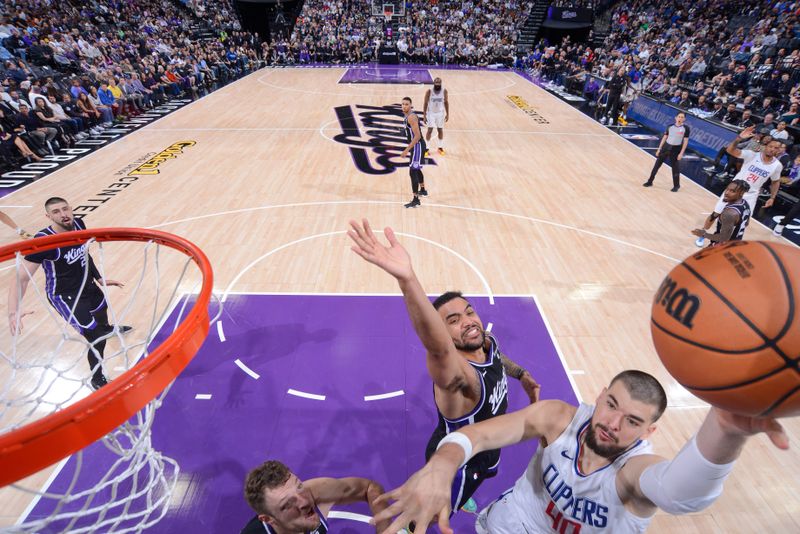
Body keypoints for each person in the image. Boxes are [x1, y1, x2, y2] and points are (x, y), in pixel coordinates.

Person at [370, 370, 789, 534]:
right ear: (600, 395)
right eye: (612, 405)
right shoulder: (559, 418)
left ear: (650, 431)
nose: (613, 423)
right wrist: (443, 463)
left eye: (633, 421)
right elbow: (478, 436)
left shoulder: (633, 471)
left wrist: (725, 431)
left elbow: (681, 493)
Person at [347, 219, 541, 515]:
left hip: (484, 448)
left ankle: (461, 498)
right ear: (445, 333)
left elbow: (498, 357)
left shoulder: (485, 340)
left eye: (469, 312)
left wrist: (521, 374)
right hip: (459, 464)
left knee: (478, 481)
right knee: (432, 516)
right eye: (453, 321)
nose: (468, 322)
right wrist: (408, 280)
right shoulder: (461, 377)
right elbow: (437, 349)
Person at [7, 197, 130, 390]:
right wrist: (14, 311)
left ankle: (106, 329)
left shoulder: (79, 223)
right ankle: (97, 379)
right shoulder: (44, 241)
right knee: (96, 337)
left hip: (88, 286)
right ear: (48, 216)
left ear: (71, 209)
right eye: (56, 212)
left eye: (65, 209)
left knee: (103, 322)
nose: (63, 214)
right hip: (65, 296)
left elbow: (85, 253)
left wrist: (98, 278)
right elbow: (20, 278)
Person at [242, 460, 389, 534]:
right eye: (287, 504)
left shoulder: (315, 492)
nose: (305, 502)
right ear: (268, 519)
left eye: (299, 486)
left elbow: (370, 489)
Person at [715, 125, 782, 217]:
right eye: (771, 146)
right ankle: (705, 230)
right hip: (734, 190)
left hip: (751, 195)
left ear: (779, 151)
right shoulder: (753, 154)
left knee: (743, 222)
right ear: (765, 146)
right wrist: (739, 138)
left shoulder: (777, 165)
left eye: (776, 148)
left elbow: (776, 181)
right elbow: (730, 150)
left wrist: (772, 198)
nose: (772, 149)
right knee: (716, 214)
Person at [692, 180, 751, 246]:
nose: (727, 193)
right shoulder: (745, 204)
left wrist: (704, 234)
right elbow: (746, 223)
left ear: (741, 193)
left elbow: (724, 238)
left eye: (732, 191)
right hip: (735, 245)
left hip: (722, 248)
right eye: (727, 189)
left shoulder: (729, 213)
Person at [643, 112, 690, 192]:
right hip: (665, 148)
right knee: (656, 165)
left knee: (675, 169)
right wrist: (659, 149)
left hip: (676, 149)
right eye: (679, 117)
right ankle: (650, 181)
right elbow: (664, 138)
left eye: (682, 117)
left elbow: (685, 141)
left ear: (684, 119)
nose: (680, 118)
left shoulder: (686, 128)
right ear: (676, 118)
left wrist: (681, 153)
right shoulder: (670, 127)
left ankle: (676, 185)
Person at [400, 97, 427, 208]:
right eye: (402, 104)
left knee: (412, 171)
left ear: (411, 105)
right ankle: (423, 190)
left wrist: (406, 150)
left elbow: (417, 136)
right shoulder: (407, 116)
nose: (404, 106)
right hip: (415, 146)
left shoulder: (411, 117)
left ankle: (415, 199)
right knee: (416, 169)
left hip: (417, 146)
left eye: (406, 104)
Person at [423, 77, 448, 156]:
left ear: (441, 84)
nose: (437, 85)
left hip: (440, 113)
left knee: (440, 130)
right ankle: (426, 148)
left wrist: (448, 114)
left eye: (439, 84)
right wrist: (424, 115)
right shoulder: (429, 91)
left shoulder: (444, 91)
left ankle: (440, 148)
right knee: (429, 130)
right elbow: (425, 103)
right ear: (434, 84)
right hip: (431, 113)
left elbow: (446, 102)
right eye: (436, 84)